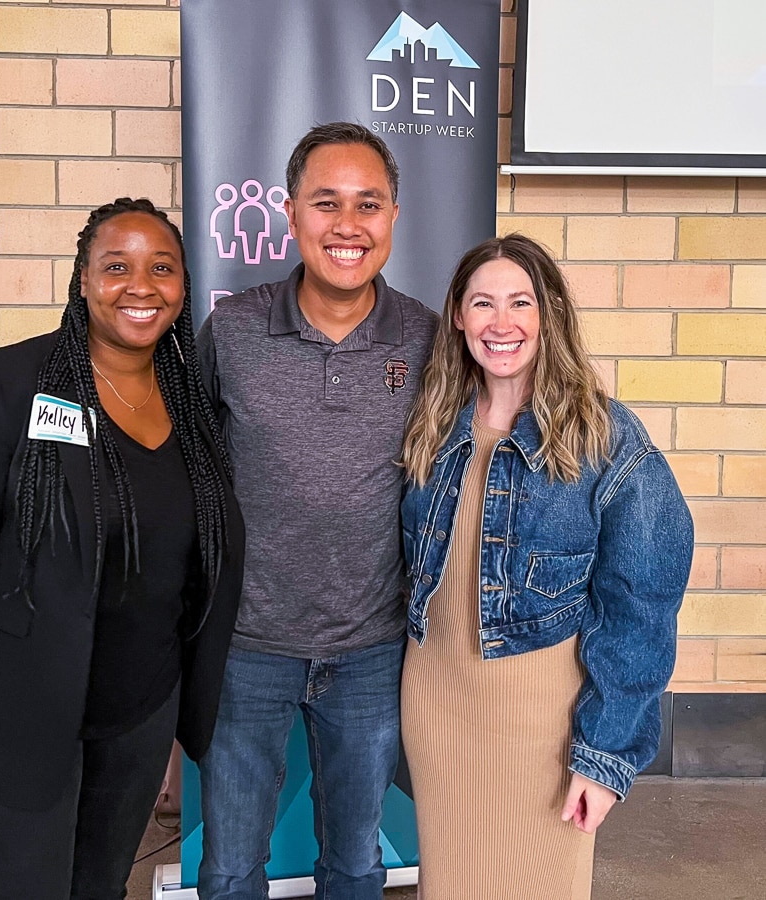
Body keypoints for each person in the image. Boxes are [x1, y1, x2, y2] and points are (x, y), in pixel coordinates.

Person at [0, 198, 244, 899]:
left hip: (137, 722)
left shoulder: (190, 401)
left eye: (161, 268)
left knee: (101, 889)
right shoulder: (4, 384)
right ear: (83, 279)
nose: (141, 286)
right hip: (16, 723)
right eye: (117, 266)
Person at [399, 233, 694, 899]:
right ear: (458, 316)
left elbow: (642, 609)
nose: (500, 322)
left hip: (542, 724)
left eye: (520, 302)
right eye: (483, 303)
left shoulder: (606, 438)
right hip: (435, 706)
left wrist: (604, 753)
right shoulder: (433, 424)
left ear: (549, 314)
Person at [195, 122, 438, 898]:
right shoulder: (234, 331)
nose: (348, 224)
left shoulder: (428, 339)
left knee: (357, 862)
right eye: (326, 202)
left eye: (368, 203)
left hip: (372, 649)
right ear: (291, 213)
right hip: (246, 648)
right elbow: (190, 471)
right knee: (230, 867)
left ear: (394, 216)